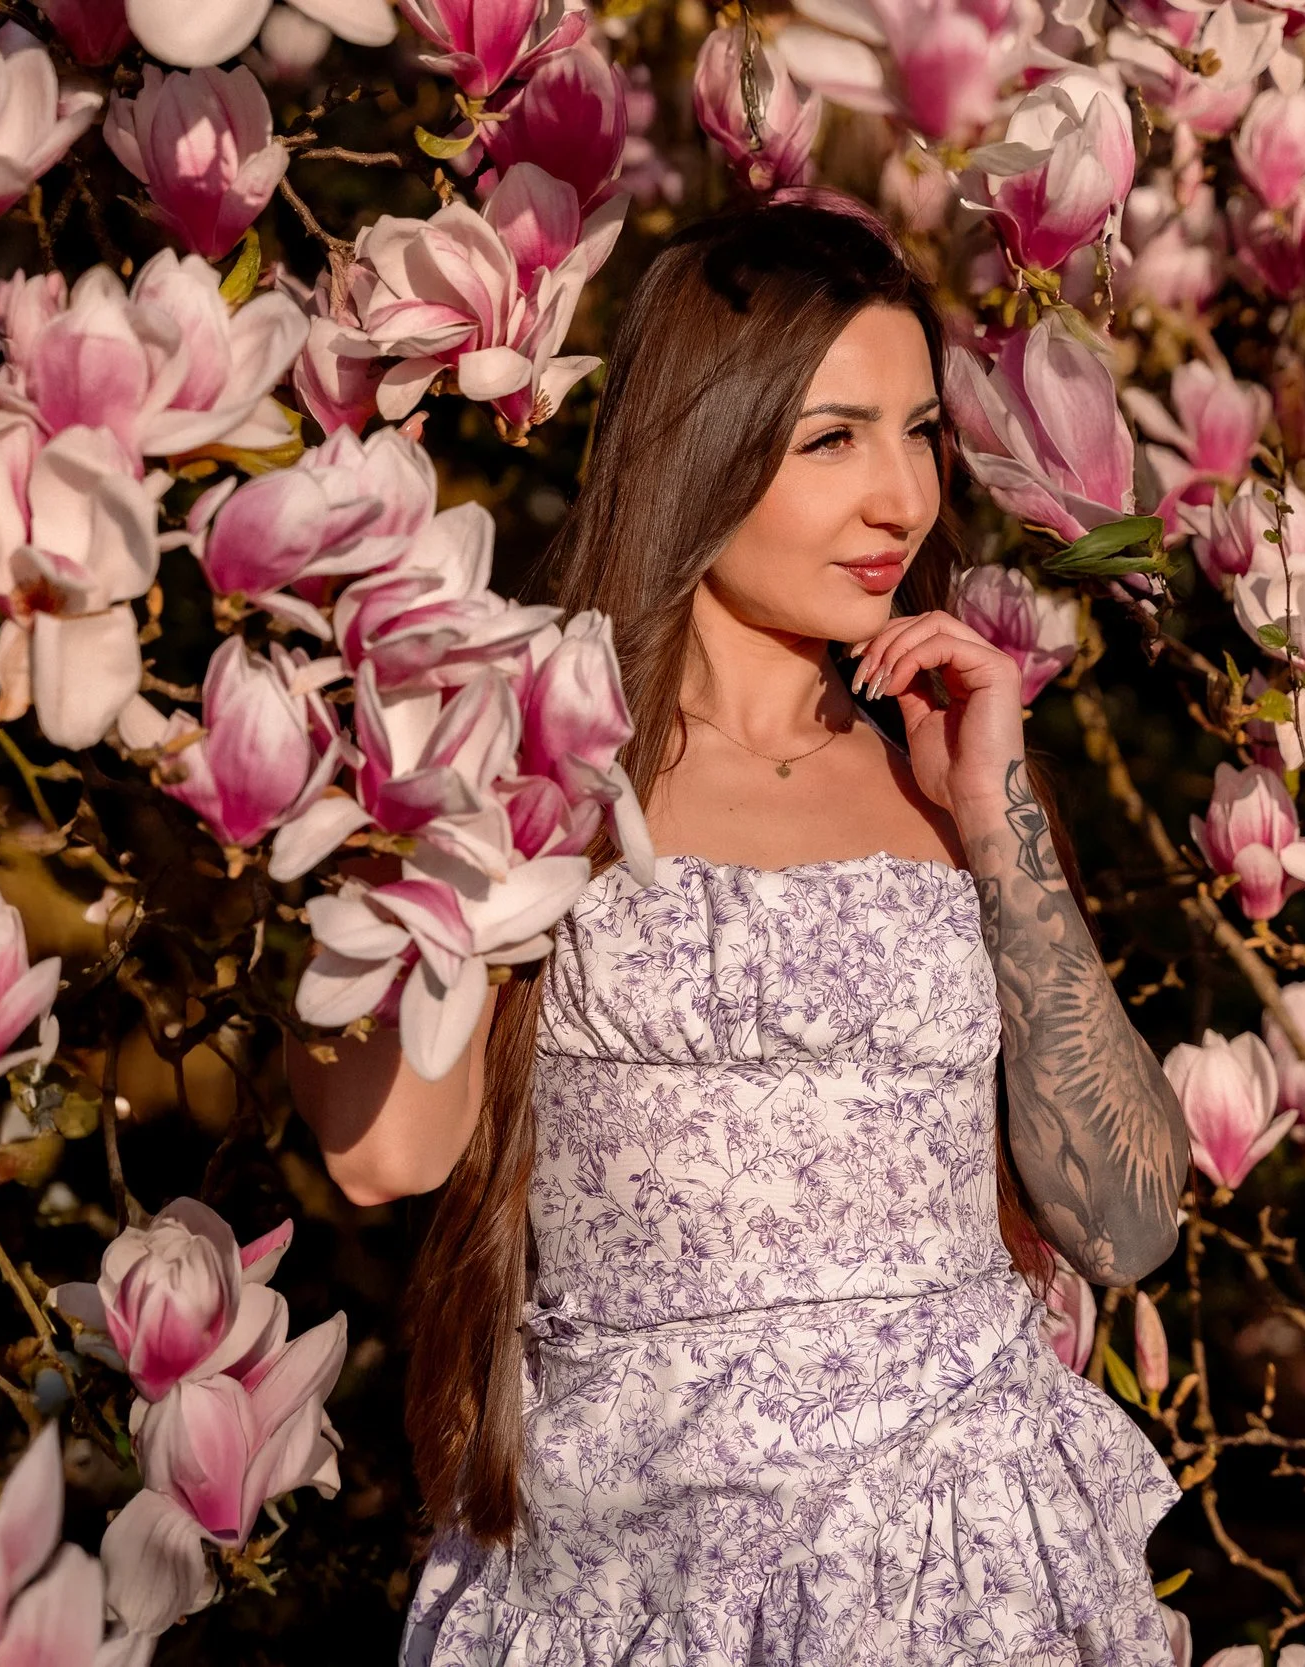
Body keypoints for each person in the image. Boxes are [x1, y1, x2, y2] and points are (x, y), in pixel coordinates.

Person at [292, 193, 1194, 1666]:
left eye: (919, 434)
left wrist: (997, 823)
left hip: (961, 1574)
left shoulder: (941, 772)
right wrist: (439, 825)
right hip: (635, 1581)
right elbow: (384, 1153)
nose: (899, 498)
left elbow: (1127, 1218)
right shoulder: (539, 756)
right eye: (832, 437)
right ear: (704, 438)